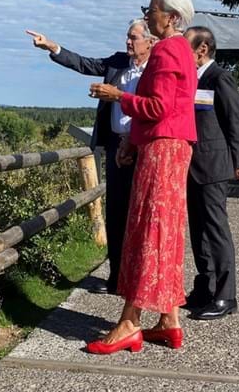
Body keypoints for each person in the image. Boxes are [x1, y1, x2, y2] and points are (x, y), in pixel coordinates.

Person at [86, 0, 198, 354]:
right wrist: (130, 143)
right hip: (168, 146)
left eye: (152, 10)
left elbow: (158, 107)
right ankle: (169, 319)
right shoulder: (181, 50)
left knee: (147, 230)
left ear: (172, 18)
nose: (147, 16)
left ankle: (129, 322)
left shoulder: (167, 50)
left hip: (163, 150)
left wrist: (118, 97)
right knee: (164, 229)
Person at [26, 20, 155, 295]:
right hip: (115, 147)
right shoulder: (118, 62)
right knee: (116, 212)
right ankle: (117, 277)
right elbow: (85, 64)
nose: (128, 42)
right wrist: (52, 46)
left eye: (133, 37)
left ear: (149, 41)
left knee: (143, 215)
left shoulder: (157, 69)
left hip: (144, 150)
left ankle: (141, 278)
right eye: (127, 37)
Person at [183, 26, 239, 320]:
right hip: (191, 166)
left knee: (216, 231)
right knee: (198, 231)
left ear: (202, 49)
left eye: (186, 47)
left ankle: (225, 295)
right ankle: (204, 289)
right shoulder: (190, 79)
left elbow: (234, 119)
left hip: (214, 164)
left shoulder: (219, 77)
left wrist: (237, 160)